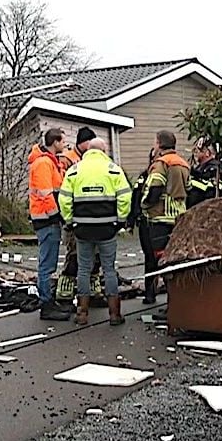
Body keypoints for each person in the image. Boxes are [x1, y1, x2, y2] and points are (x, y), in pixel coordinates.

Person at [59, 137, 132, 326]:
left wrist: (69, 221)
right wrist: (120, 220)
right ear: (104, 150)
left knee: (83, 269)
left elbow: (64, 198)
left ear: (87, 151)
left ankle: (82, 313)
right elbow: (125, 197)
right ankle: (114, 314)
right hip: (107, 228)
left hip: (82, 228)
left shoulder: (74, 170)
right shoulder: (113, 169)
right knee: (109, 269)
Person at [141, 130, 191, 314]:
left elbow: (154, 188)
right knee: (175, 260)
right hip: (178, 217)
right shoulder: (183, 163)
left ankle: (155, 297)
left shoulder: (162, 164)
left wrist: (144, 204)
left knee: (158, 260)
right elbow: (189, 189)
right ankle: (176, 300)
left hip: (160, 218)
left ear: (159, 144)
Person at [27, 128, 71, 320]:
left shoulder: (50, 163)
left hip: (46, 218)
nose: (65, 145)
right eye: (63, 141)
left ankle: (48, 301)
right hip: (46, 219)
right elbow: (46, 195)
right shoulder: (44, 163)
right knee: (47, 263)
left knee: (48, 261)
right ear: (55, 142)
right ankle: (46, 303)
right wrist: (59, 217)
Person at [55, 127, 101, 302]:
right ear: (84, 143)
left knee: (95, 255)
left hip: (92, 215)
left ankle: (93, 287)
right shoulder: (68, 160)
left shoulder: (94, 160)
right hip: (75, 215)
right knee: (74, 254)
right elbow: (63, 191)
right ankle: (66, 289)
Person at [129, 147, 158, 304]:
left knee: (162, 258)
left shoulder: (166, 174)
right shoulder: (144, 176)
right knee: (149, 258)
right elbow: (136, 197)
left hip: (162, 222)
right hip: (145, 222)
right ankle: (150, 292)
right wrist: (132, 219)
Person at [186, 140, 222, 208]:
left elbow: (210, 190)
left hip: (208, 209)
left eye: (198, 151)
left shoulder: (215, 169)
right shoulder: (200, 168)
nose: (195, 154)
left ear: (207, 153)